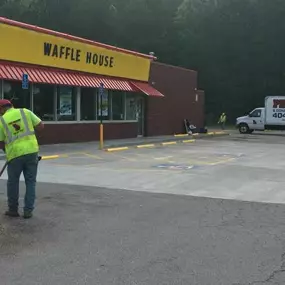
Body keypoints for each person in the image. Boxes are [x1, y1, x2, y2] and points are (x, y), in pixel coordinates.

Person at [0, 99, 44, 219]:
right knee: (30, 182)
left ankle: (13, 210)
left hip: (14, 155)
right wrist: (33, 138)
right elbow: (41, 125)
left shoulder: (2, 120)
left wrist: (7, 151)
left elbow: (0, 141)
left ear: (2, 109)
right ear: (12, 106)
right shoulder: (25, 112)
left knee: (13, 182)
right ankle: (28, 211)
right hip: (32, 151)